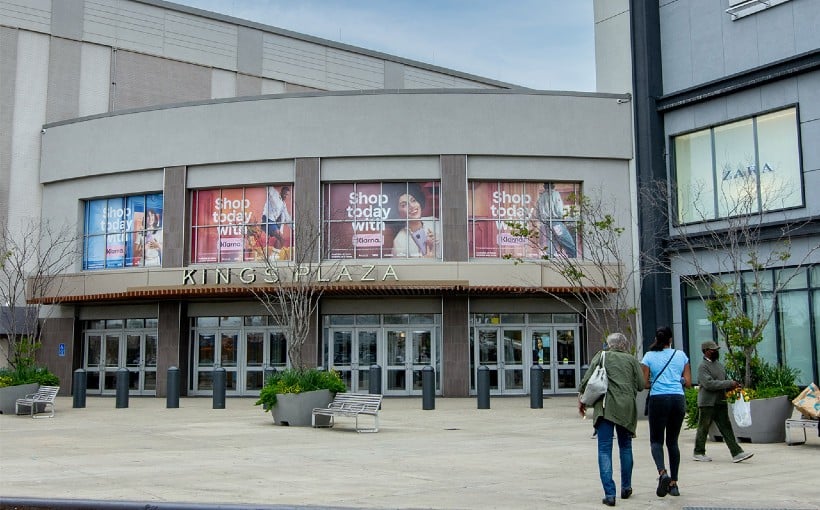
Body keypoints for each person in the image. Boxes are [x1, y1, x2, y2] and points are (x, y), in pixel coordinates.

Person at [578, 332, 644, 507]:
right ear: (624, 345)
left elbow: (586, 381)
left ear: (609, 344)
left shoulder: (602, 356)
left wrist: (581, 399)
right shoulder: (631, 360)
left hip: (605, 408)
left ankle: (610, 494)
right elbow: (640, 385)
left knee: (604, 450)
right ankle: (626, 487)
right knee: (625, 447)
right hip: (627, 408)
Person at [640, 326, 692, 498]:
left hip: (658, 399)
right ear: (671, 340)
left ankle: (663, 473)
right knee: (673, 442)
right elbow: (689, 382)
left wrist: (656, 380)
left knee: (656, 441)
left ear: (656, 339)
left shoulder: (648, 356)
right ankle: (674, 484)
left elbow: (644, 383)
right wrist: (678, 380)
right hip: (677, 399)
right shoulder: (681, 355)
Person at [693, 340, 754, 463]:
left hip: (720, 400)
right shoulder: (702, 366)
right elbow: (708, 384)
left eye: (716, 349)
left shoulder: (719, 365)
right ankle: (698, 452)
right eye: (712, 350)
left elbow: (723, 381)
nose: (715, 351)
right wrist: (728, 383)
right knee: (703, 427)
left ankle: (737, 452)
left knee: (726, 427)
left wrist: (733, 386)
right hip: (707, 402)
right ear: (705, 351)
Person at [389, 183, 440, 258]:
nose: (412, 206)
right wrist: (422, 262)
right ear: (398, 213)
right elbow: (399, 268)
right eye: (404, 205)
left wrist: (440, 241)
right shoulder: (399, 241)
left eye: (413, 200)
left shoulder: (435, 222)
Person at [536, 182, 577, 258]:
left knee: (551, 241)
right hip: (556, 221)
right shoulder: (555, 194)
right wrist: (563, 218)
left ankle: (550, 257)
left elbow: (537, 213)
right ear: (553, 186)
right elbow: (559, 209)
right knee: (566, 239)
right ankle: (573, 256)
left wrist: (542, 220)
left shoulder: (541, 197)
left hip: (547, 222)